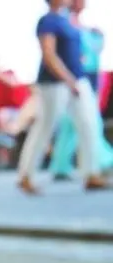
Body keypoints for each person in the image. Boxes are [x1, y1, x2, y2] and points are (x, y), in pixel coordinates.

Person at [17, 0, 108, 194]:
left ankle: (91, 173)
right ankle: (26, 175)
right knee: (45, 125)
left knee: (89, 124)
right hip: (55, 82)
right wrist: (68, 80)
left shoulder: (67, 21)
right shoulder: (48, 21)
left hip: (78, 80)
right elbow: (49, 55)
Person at [49, 0, 113, 179]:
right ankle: (103, 162)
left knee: (73, 124)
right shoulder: (63, 21)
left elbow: (94, 52)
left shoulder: (83, 26)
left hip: (88, 78)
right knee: (88, 122)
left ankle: (61, 167)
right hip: (74, 78)